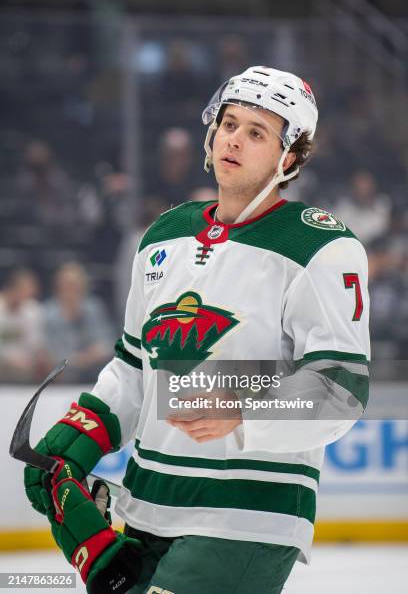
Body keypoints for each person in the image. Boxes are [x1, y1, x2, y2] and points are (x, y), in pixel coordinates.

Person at [24, 67, 370, 594]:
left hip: (244, 521)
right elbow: (135, 367)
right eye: (229, 123)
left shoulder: (320, 247)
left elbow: (342, 390)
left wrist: (242, 406)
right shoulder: (165, 235)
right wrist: (78, 439)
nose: (234, 138)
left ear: (291, 157)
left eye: (257, 132)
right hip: (143, 511)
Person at [43, 262, 114, 383]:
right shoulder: (48, 312)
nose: (72, 291)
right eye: (68, 286)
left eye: (76, 285)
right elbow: (49, 353)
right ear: (58, 287)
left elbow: (108, 343)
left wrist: (89, 356)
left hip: (94, 373)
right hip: (61, 378)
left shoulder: (94, 307)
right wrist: (80, 359)